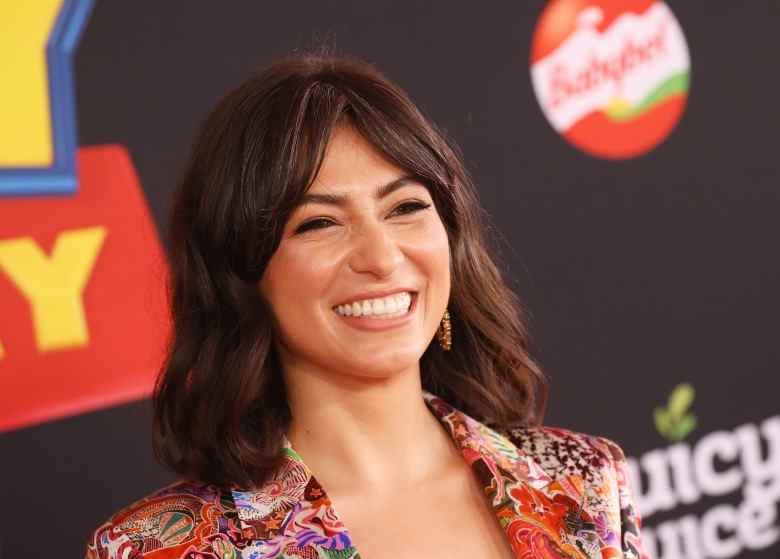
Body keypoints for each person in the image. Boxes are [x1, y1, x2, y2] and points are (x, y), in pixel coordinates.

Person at [85, 53, 649, 559]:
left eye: (405, 207)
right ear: (243, 275)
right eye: (320, 223)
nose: (380, 256)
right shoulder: (161, 549)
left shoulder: (582, 481)